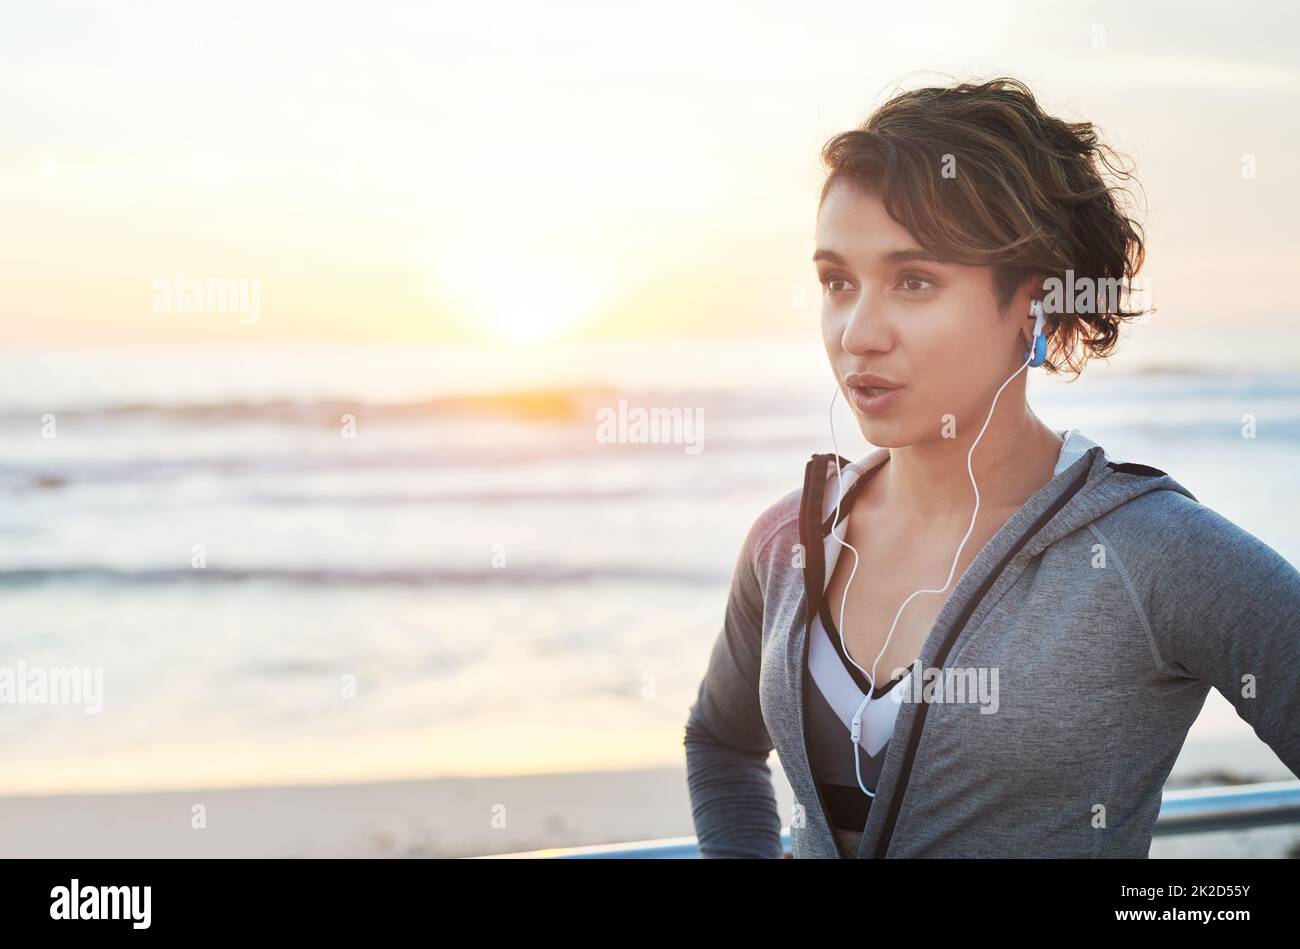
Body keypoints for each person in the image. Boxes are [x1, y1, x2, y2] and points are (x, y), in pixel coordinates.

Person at [683, 77, 1300, 858]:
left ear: (1034, 305)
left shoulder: (1153, 556)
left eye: (914, 281)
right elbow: (720, 740)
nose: (858, 333)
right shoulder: (787, 539)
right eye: (838, 281)